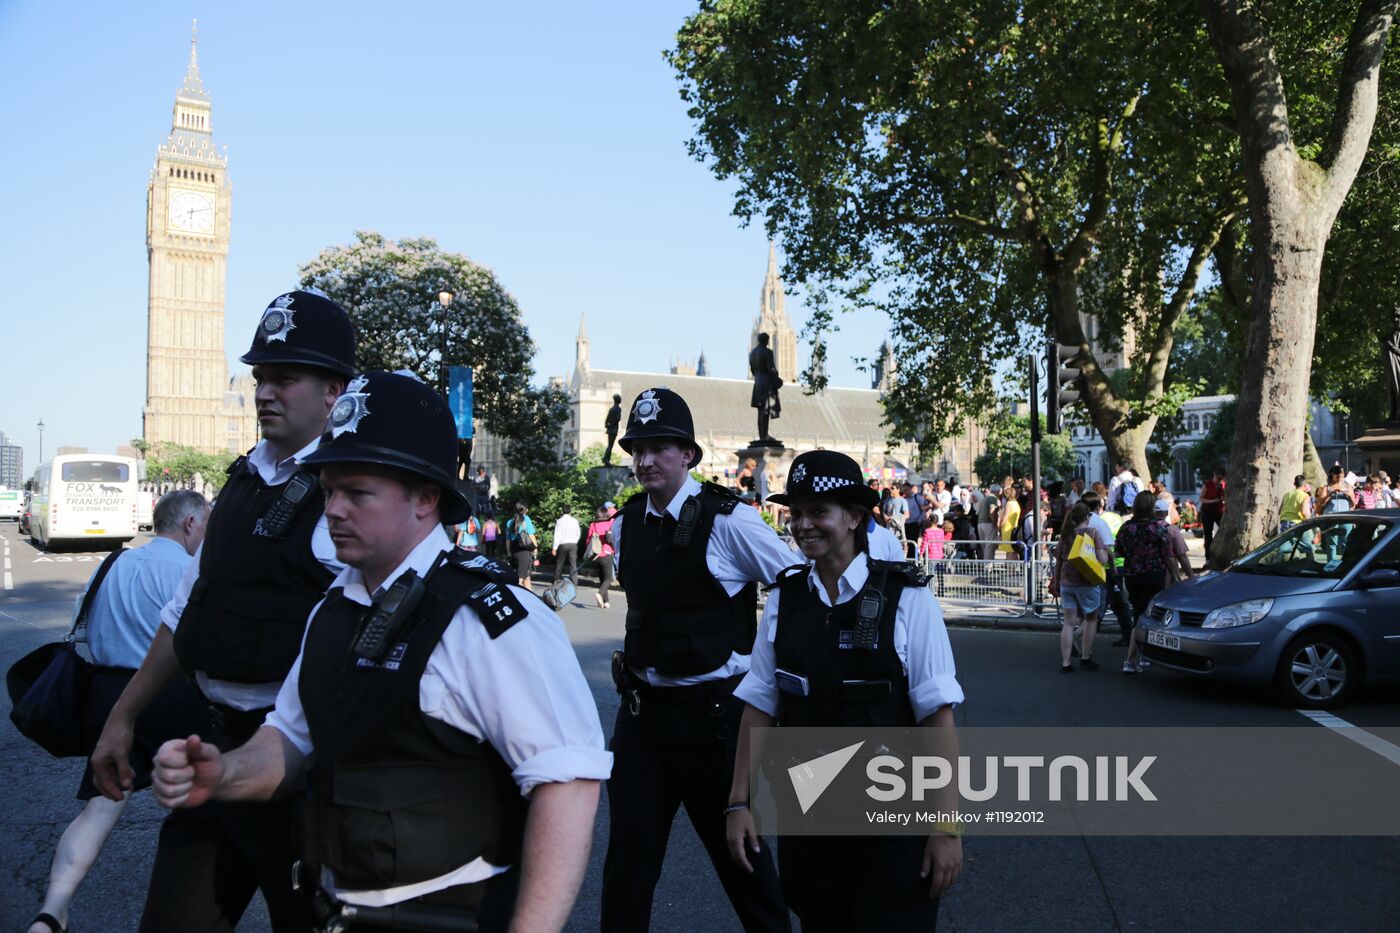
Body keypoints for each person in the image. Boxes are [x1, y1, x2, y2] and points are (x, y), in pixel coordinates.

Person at [151, 371, 611, 931]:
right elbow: (292, 739)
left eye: (357, 493)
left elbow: (567, 783)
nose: (333, 510)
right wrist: (221, 774)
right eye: (328, 491)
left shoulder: (487, 620)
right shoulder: (332, 610)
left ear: (425, 497)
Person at [89, 289, 355, 932]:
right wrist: (122, 717)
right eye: (261, 376)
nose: (265, 392)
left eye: (284, 378)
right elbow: (187, 610)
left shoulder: (348, 494)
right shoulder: (241, 480)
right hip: (213, 752)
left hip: (300, 779)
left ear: (334, 391)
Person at [725, 450, 963, 931]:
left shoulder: (907, 599)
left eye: (818, 511)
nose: (803, 525)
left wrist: (947, 828)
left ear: (854, 517)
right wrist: (738, 803)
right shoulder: (783, 601)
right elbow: (760, 707)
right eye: (796, 513)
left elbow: (936, 721)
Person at [602, 387, 792, 933]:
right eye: (637, 449)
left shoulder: (730, 521)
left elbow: (793, 586)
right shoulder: (626, 521)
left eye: (659, 447)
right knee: (627, 866)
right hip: (641, 717)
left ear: (688, 453)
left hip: (713, 722)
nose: (644, 460)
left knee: (743, 862)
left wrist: (766, 669)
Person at [27, 491, 211, 933]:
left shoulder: (112, 564)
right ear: (189, 524)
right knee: (199, 816)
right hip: (171, 698)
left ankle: (52, 911)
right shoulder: (189, 572)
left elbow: (83, 624)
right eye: (206, 524)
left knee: (100, 808)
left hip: (109, 698)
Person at [1116, 492, 1183, 674]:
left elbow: (1119, 551)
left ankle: (1140, 656)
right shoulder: (1159, 528)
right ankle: (1131, 660)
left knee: (1139, 613)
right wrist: (1177, 576)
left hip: (1132, 576)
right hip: (1154, 575)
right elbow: (1168, 556)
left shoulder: (1126, 528)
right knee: (1146, 618)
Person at [1050, 500, 1107, 672]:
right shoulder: (1092, 533)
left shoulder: (1066, 535)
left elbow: (1059, 562)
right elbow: (1102, 560)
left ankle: (1066, 662)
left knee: (1068, 623)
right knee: (1091, 619)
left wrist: (1057, 582)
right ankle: (1085, 656)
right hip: (1087, 583)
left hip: (1067, 583)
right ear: (1087, 517)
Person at [749, 332, 783, 442]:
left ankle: (762, 436)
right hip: (766, 383)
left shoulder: (752, 353)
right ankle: (765, 436)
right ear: (766, 340)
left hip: (758, 382)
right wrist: (777, 377)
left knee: (760, 411)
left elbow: (753, 371)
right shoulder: (768, 352)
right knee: (766, 411)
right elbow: (771, 368)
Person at [582, 504, 617, 608]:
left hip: (596, 555)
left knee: (602, 578)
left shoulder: (593, 524)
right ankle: (600, 594)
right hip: (607, 553)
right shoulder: (610, 522)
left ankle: (606, 601)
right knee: (608, 578)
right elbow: (614, 538)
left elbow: (588, 540)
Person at [506, 502, 538, 591]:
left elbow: (508, 540)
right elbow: (531, 535)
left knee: (526, 577)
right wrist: (535, 548)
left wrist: (509, 554)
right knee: (520, 579)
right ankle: (517, 599)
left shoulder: (509, 522)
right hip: (523, 552)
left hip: (513, 550)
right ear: (524, 510)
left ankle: (531, 599)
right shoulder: (526, 519)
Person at [1199, 467, 1227, 558]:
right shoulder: (1208, 484)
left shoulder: (1223, 485)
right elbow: (1201, 498)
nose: (1219, 480)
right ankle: (1208, 557)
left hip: (1218, 511)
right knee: (1208, 535)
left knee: (1224, 530)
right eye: (1218, 478)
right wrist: (1213, 501)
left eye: (1221, 478)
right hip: (1207, 512)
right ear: (1214, 475)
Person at [553, 503, 581, 587]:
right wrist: (575, 541)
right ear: (570, 511)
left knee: (560, 563)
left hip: (563, 544)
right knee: (573, 564)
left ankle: (556, 580)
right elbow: (578, 533)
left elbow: (557, 535)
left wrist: (554, 547)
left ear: (562, 511)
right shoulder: (574, 521)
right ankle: (574, 582)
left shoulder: (559, 521)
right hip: (573, 544)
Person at [976, 484, 999, 560]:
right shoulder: (993, 498)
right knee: (989, 547)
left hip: (980, 523)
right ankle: (988, 567)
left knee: (984, 546)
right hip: (988, 524)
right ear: (997, 491)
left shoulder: (984, 499)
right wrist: (995, 524)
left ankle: (985, 565)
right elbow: (992, 511)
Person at [997, 485, 1021, 556]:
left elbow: (1005, 518)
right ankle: (1011, 565)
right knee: (1013, 549)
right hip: (1014, 527)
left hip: (1007, 528)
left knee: (1010, 550)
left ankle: (1010, 566)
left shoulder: (1009, 504)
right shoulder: (1016, 503)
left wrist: (999, 527)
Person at [604, 392, 624, 466]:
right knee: (610, 445)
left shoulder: (611, 409)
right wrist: (611, 425)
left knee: (610, 445)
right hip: (614, 429)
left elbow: (607, 419)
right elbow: (618, 419)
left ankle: (606, 459)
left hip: (610, 429)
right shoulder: (618, 409)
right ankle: (606, 458)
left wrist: (607, 425)